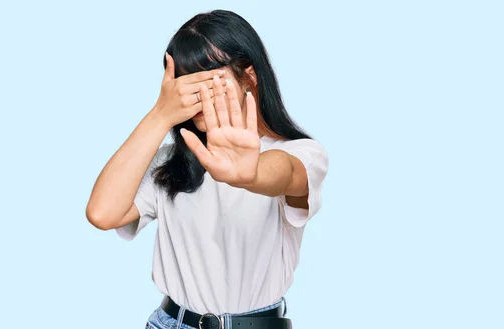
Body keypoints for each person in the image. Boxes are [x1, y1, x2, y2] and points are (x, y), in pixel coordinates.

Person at [86, 9, 329, 329]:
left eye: (207, 79)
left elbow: (285, 173)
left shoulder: (300, 153)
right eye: (184, 83)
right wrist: (160, 116)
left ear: (249, 78)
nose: (196, 95)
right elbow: (103, 213)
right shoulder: (170, 163)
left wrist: (251, 174)